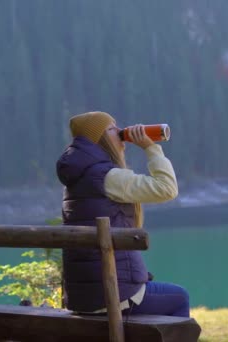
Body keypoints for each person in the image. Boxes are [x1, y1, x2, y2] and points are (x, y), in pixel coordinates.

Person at [56, 111, 189, 317]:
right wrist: (151, 148)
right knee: (180, 297)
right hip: (114, 296)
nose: (119, 132)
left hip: (82, 297)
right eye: (111, 128)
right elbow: (167, 188)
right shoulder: (107, 177)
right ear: (99, 139)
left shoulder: (78, 178)